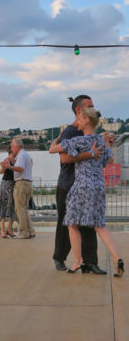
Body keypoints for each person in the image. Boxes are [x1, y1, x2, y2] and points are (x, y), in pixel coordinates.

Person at [49, 107, 124, 277]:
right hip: (98, 186)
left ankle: (77, 262)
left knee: (71, 224)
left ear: (87, 121)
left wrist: (57, 139)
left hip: (82, 187)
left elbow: (52, 150)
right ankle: (116, 258)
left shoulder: (79, 141)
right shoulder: (99, 140)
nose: (78, 122)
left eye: (80, 118)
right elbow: (109, 160)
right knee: (99, 225)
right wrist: (107, 145)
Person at [51, 95, 106, 274]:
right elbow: (65, 158)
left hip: (85, 186)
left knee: (87, 224)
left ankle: (91, 263)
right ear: (79, 110)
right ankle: (59, 258)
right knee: (66, 224)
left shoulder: (89, 132)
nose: (94, 108)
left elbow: (102, 157)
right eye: (90, 105)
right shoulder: (70, 132)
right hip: (68, 185)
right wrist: (90, 154)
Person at [3, 138, 35, 239]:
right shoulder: (26, 154)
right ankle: (30, 231)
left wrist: (9, 167)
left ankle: (23, 232)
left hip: (21, 183)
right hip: (28, 183)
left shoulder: (21, 155)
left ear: (17, 146)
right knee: (24, 209)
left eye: (12, 146)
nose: (11, 148)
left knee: (19, 209)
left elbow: (20, 168)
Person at [0, 147, 16, 238]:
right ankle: (2, 230)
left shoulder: (17, 160)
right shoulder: (7, 160)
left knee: (13, 207)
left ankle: (9, 229)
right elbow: (1, 172)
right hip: (6, 183)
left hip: (14, 184)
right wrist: (4, 166)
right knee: (3, 206)